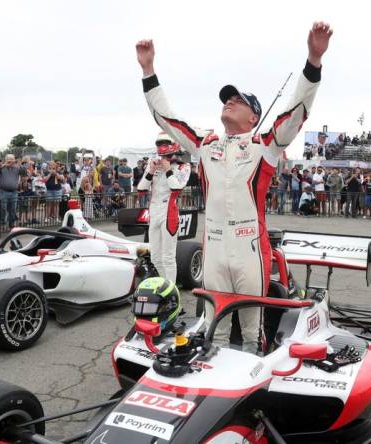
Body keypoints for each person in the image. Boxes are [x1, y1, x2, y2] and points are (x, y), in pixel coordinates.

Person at [136, 21, 331, 350]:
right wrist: (148, 70)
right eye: (227, 99)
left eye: (237, 100)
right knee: (213, 331)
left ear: (253, 116)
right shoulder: (205, 145)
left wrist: (313, 61)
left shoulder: (265, 146)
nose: (228, 102)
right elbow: (165, 119)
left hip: (249, 249)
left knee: (252, 332)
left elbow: (297, 111)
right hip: (212, 247)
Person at [136, 133, 191, 282]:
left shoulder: (183, 166)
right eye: (159, 144)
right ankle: (164, 285)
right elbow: (141, 190)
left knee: (168, 257)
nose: (161, 147)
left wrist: (168, 169)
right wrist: (151, 171)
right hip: (154, 212)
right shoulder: (153, 164)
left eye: (164, 143)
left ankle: (172, 291)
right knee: (155, 257)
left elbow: (176, 189)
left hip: (169, 213)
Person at [0, 154, 23, 229]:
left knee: (13, 209)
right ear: (6, 160)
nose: (11, 161)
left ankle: (11, 224)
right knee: (3, 208)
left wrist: (20, 164)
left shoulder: (17, 168)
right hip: (3, 191)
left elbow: (24, 172)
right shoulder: (2, 167)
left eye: (12, 159)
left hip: (14, 192)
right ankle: (2, 223)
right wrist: (3, 165)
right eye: (9, 159)